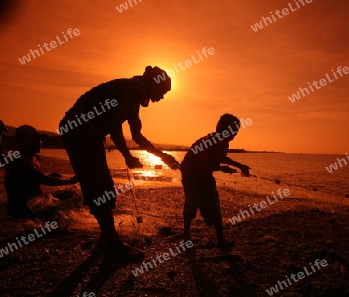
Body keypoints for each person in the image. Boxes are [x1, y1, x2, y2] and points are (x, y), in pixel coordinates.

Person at [59, 65, 180, 258]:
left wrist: (163, 156)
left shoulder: (135, 94)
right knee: (101, 183)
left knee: (99, 182)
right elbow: (115, 127)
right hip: (79, 130)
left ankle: (106, 239)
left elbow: (137, 136)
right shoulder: (134, 90)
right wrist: (127, 156)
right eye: (163, 92)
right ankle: (111, 242)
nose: (162, 97)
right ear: (153, 84)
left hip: (85, 131)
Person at [180, 114, 251, 250]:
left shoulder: (212, 138)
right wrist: (224, 168)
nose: (235, 134)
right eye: (234, 130)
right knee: (213, 204)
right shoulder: (221, 142)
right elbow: (214, 164)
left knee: (191, 203)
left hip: (187, 173)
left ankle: (186, 236)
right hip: (199, 175)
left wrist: (239, 165)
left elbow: (219, 158)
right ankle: (221, 240)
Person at [4, 125, 78, 219]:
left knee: (72, 194)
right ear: (23, 142)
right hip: (22, 210)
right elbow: (43, 179)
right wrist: (71, 180)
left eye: (39, 139)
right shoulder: (19, 162)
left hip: (36, 203)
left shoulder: (36, 158)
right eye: (35, 140)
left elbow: (34, 178)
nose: (39, 143)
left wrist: (51, 176)